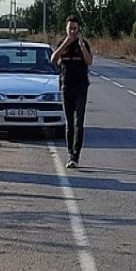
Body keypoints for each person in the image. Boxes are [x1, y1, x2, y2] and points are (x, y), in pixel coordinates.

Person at [51, 15, 93, 168]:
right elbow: (53, 59)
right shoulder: (62, 43)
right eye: (70, 28)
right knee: (69, 123)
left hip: (81, 87)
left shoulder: (83, 44)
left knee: (78, 123)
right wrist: (65, 44)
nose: (73, 31)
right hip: (66, 86)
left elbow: (89, 61)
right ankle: (70, 153)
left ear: (79, 29)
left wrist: (81, 46)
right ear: (66, 28)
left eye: (75, 28)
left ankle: (76, 156)